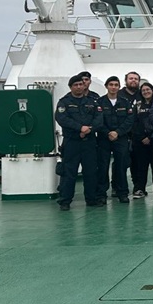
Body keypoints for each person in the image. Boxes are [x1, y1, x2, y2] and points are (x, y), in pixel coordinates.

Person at [55, 74, 104, 210]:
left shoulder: (93, 102)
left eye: (80, 84)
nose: (78, 87)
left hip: (89, 142)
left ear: (84, 86)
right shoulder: (64, 102)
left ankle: (91, 199)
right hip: (72, 142)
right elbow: (62, 118)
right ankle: (65, 201)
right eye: (75, 85)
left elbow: (99, 119)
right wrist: (79, 128)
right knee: (69, 172)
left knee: (91, 172)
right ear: (70, 87)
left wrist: (89, 129)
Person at [96, 76, 135, 203]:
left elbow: (129, 120)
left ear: (119, 87)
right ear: (106, 86)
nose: (113, 87)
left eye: (116, 85)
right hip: (103, 138)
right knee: (102, 166)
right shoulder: (99, 102)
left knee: (121, 166)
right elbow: (97, 120)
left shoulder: (125, 102)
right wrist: (108, 132)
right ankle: (101, 194)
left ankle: (122, 192)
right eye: (111, 84)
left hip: (121, 138)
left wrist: (117, 132)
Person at [130, 82, 153, 198]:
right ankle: (139, 189)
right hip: (140, 141)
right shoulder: (137, 105)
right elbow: (133, 122)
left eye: (148, 89)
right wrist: (142, 137)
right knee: (141, 165)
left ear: (152, 90)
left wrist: (150, 137)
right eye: (143, 90)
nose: (146, 92)